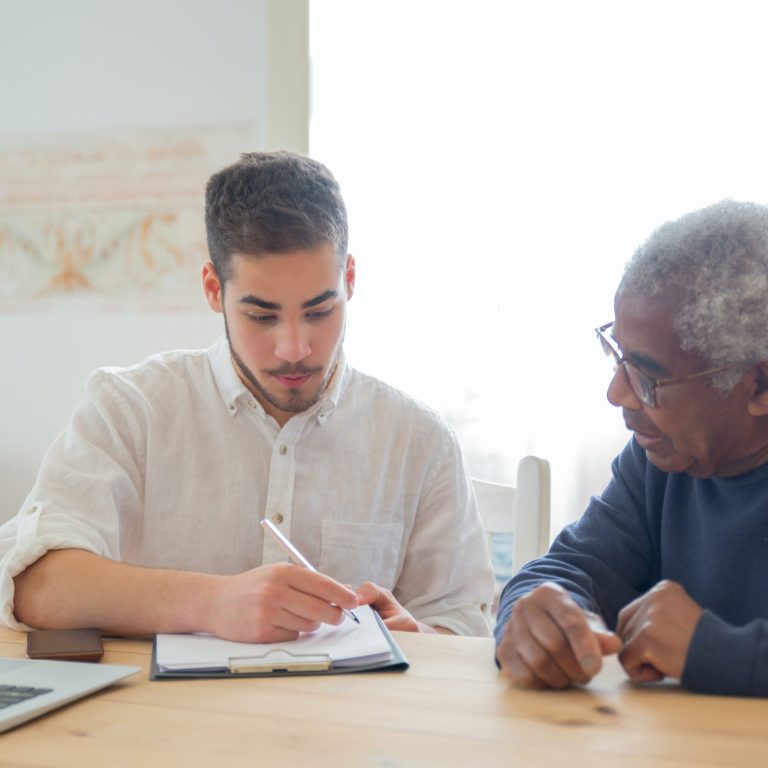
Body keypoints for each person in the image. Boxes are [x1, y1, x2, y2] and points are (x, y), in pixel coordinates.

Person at [0, 151, 493, 641]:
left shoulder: (419, 440)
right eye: (262, 316)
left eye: (320, 311)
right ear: (214, 290)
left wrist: (415, 635)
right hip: (162, 717)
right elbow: (35, 584)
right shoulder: (131, 408)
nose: (295, 348)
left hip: (351, 718)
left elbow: (468, 625)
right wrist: (211, 603)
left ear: (349, 280)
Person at [496, 199, 768, 697]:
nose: (617, 394)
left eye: (647, 377)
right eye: (616, 355)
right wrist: (538, 613)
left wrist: (712, 649)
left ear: (759, 386)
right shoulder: (658, 460)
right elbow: (568, 569)